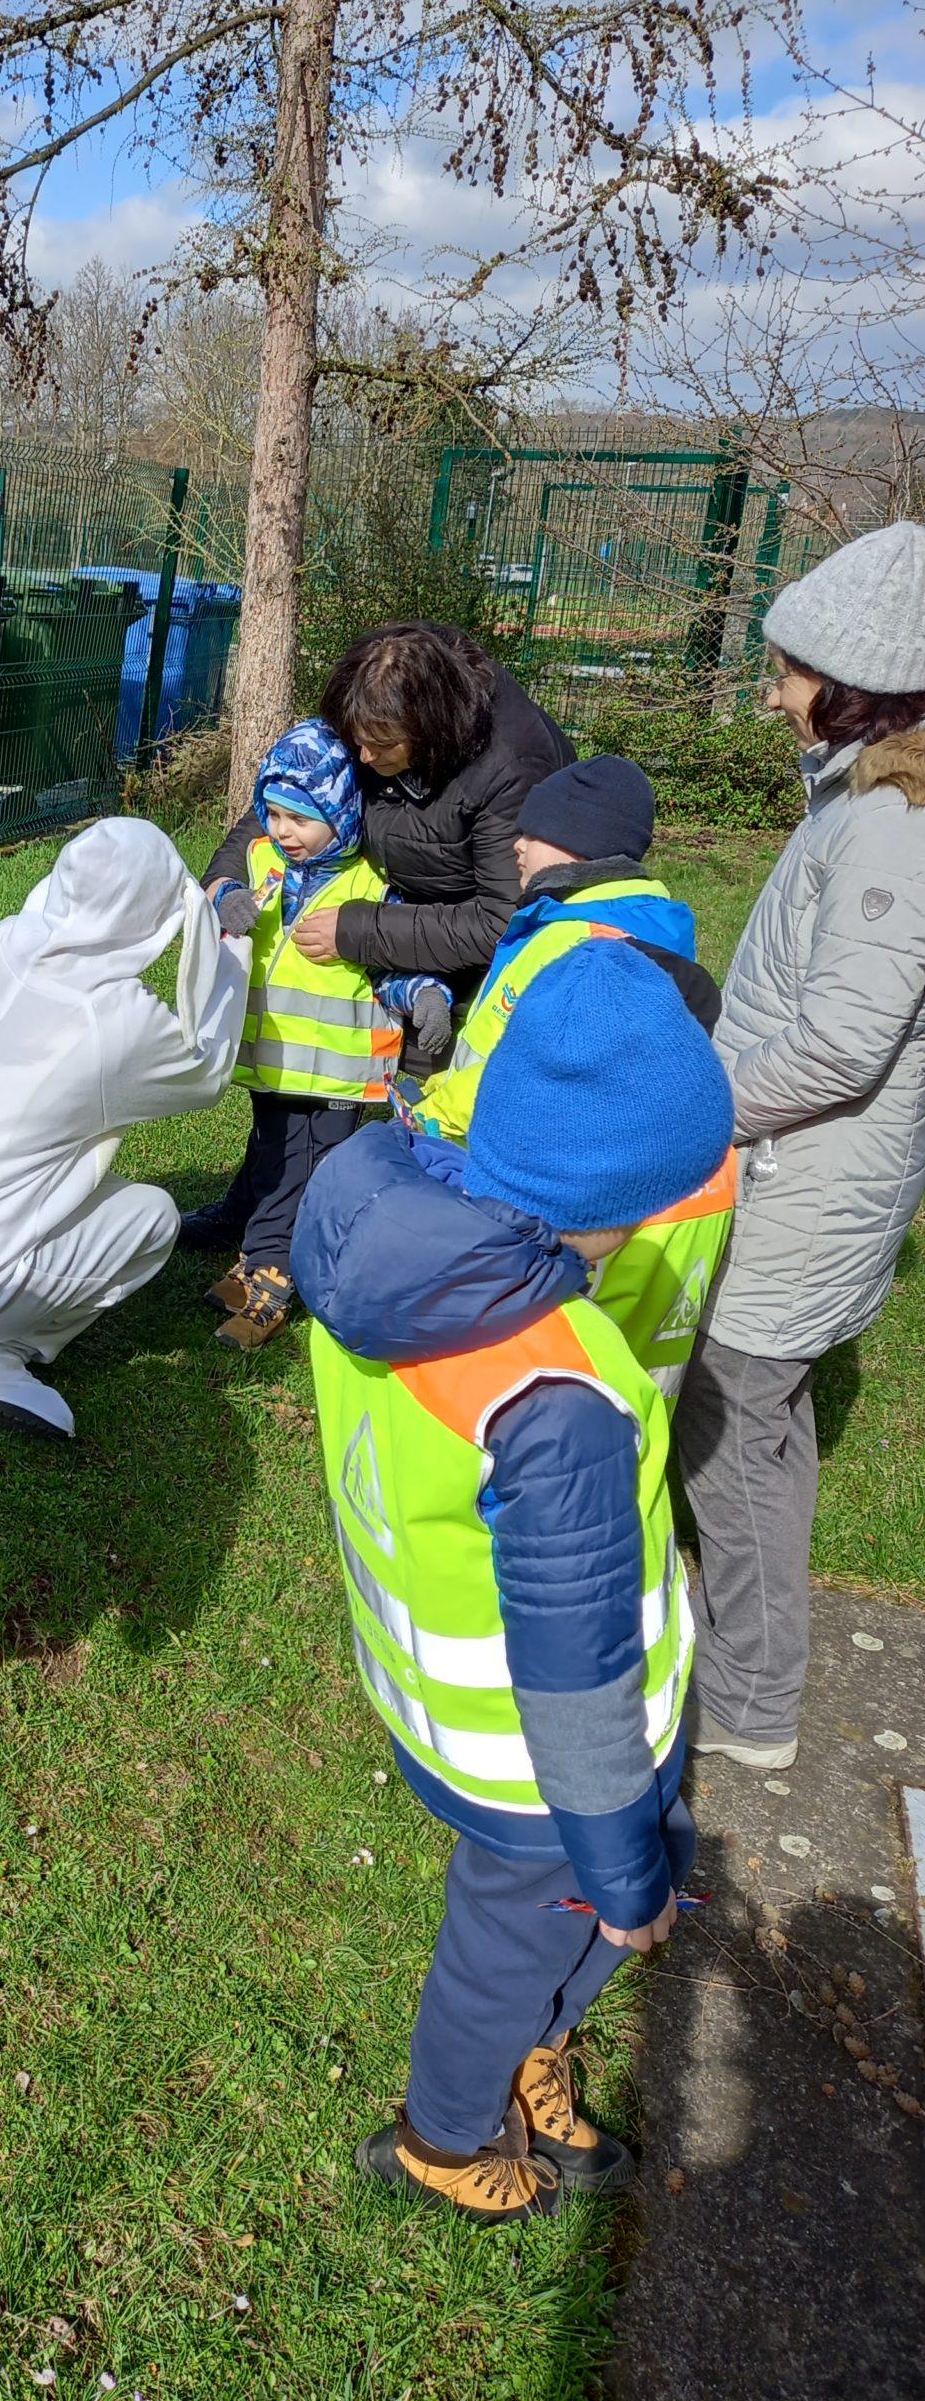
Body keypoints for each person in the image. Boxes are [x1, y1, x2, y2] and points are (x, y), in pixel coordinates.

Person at [292, 942, 734, 2221]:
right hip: (539, 1767)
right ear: (634, 1188)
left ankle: (539, 2035)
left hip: (444, 1688)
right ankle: (441, 2134)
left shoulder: (399, 1243)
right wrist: (621, 1870)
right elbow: (576, 1667)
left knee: (564, 1916)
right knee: (510, 1947)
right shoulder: (561, 1395)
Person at [675, 521, 925, 1772]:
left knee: (731, 1425)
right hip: (806, 1175)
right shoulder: (862, 799)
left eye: (789, 673)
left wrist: (701, 1109)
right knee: (765, 1420)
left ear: (853, 685)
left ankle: (753, 1701)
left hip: (807, 1181)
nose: (774, 694)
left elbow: (840, 1048)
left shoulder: (887, 830)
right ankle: (740, 1639)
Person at [0, 816, 249, 1439]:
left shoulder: (3, 941)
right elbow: (207, 1073)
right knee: (151, 1216)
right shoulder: (113, 1018)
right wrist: (231, 946)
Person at [410, 753, 734, 1399]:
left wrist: (423, 1126)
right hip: (671, 1196)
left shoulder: (567, 945)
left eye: (534, 831)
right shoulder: (650, 923)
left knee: (556, 1380)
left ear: (579, 845)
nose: (517, 844)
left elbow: (510, 1076)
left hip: (577, 1200)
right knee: (634, 1391)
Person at [180, 718, 452, 1351]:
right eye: (273, 814)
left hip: (337, 1075)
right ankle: (248, 1241)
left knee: (299, 1171)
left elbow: (394, 963)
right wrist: (224, 901)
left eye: (299, 818)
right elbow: (214, 896)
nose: (282, 831)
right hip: (274, 1062)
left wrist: (427, 994)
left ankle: (273, 1270)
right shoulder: (262, 863)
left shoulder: (369, 886)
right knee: (273, 1149)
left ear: (340, 811)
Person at [208, 624, 574, 1027]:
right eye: (354, 740)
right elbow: (290, 797)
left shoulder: (511, 768)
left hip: (465, 955)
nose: (363, 757)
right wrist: (224, 883)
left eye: (381, 747)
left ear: (429, 731)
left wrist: (359, 931)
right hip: (380, 925)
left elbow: (502, 918)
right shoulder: (370, 696)